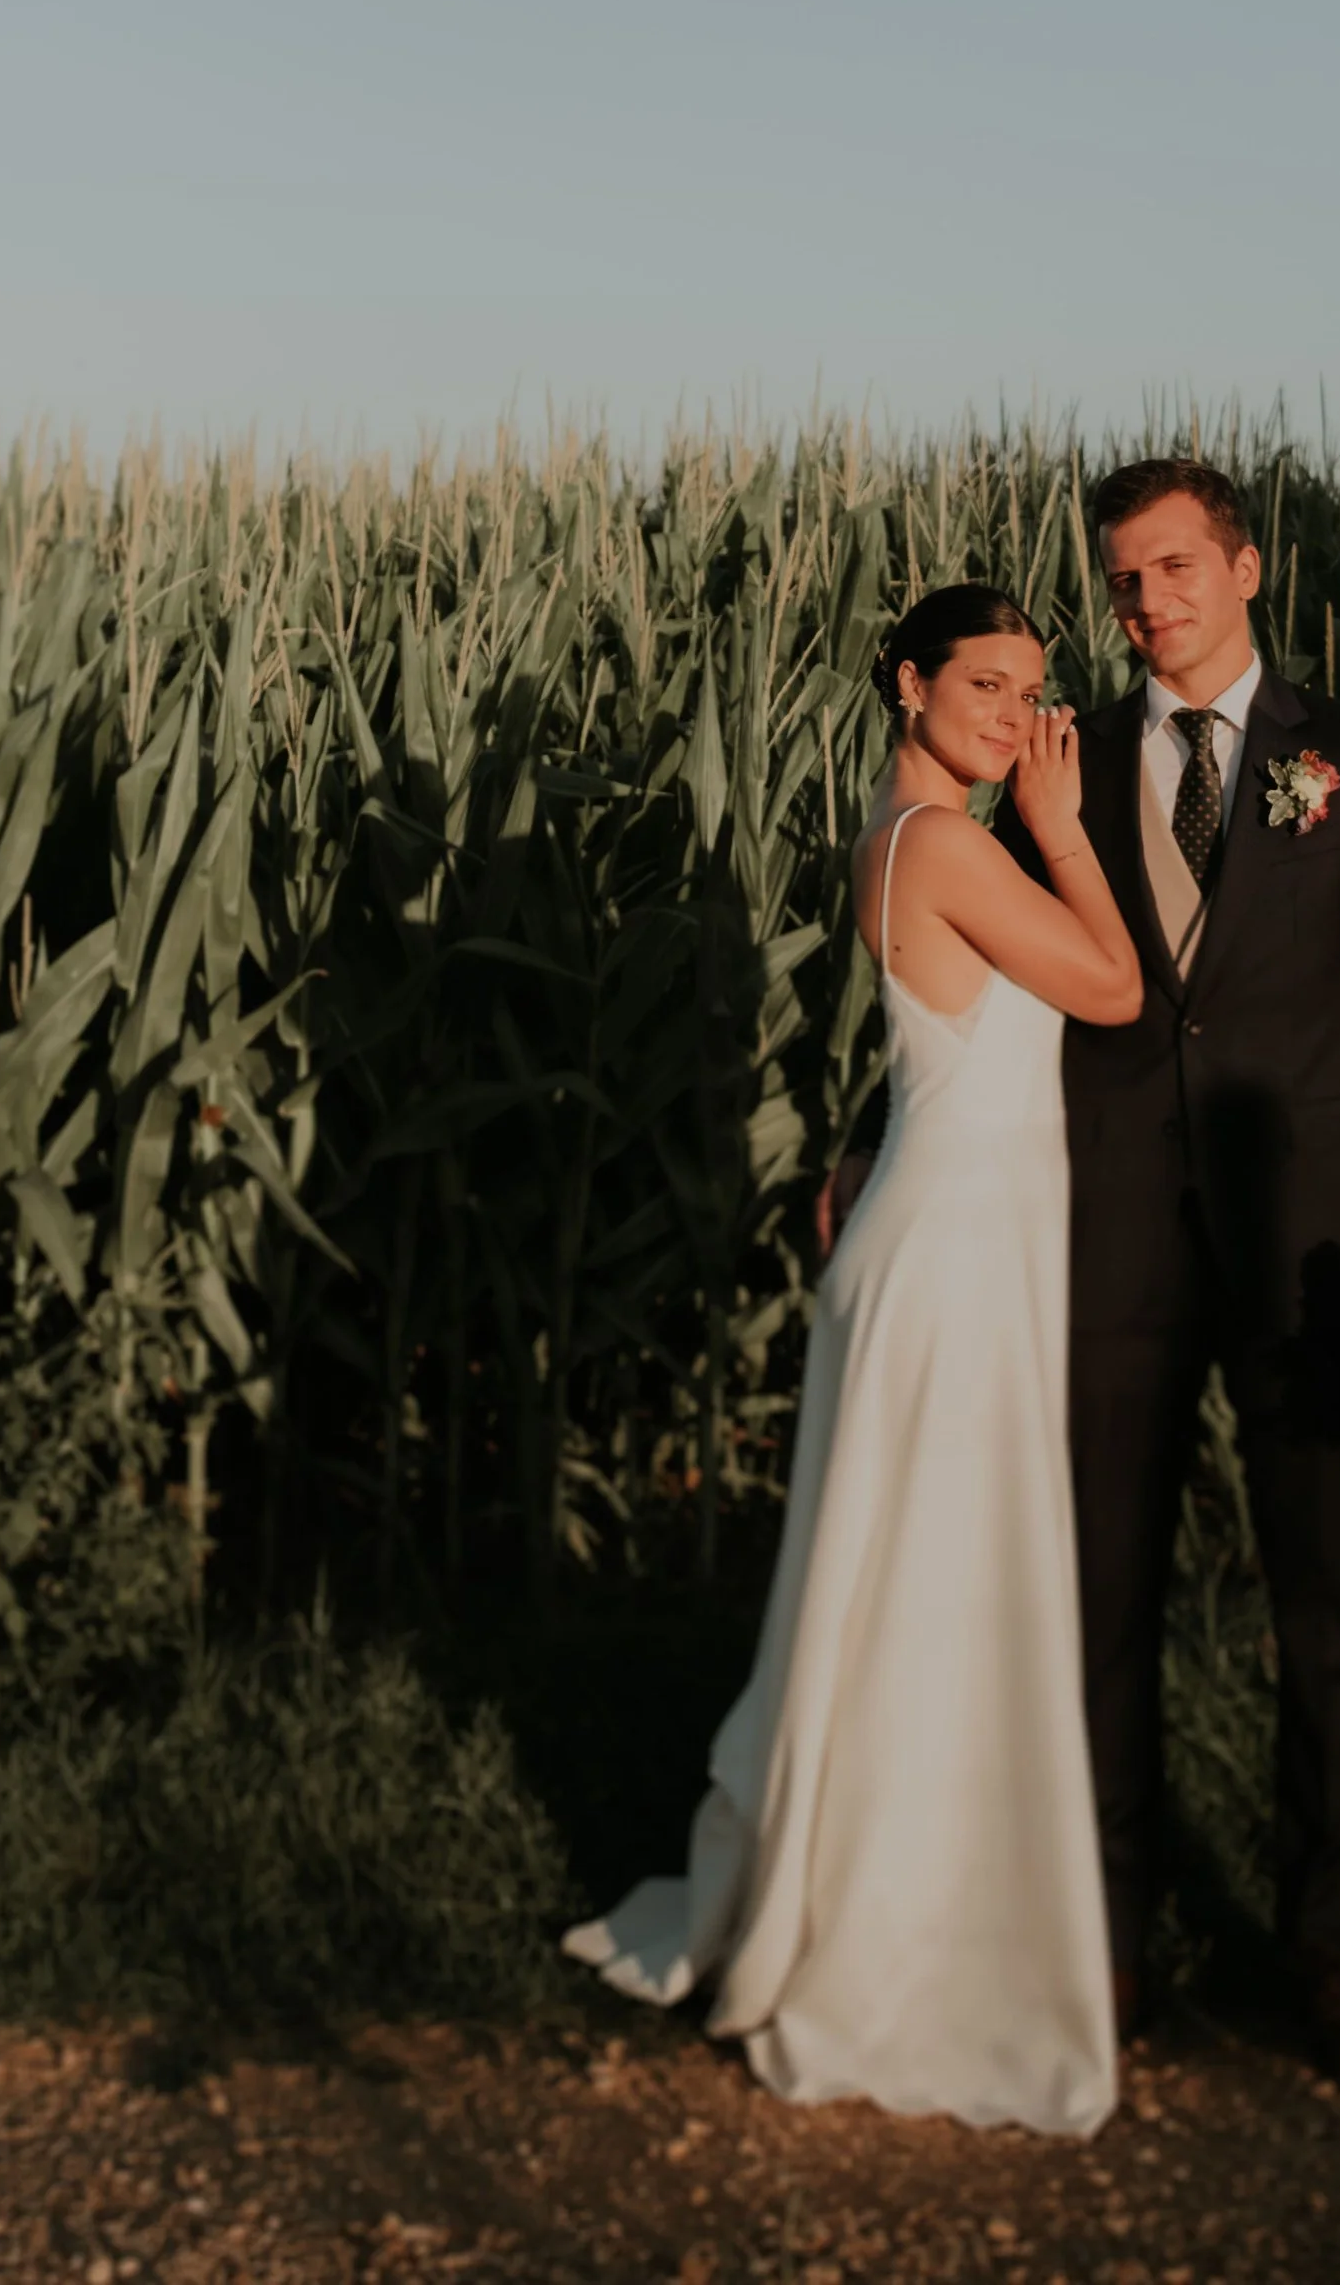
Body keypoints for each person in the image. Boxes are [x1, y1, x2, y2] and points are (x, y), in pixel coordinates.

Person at [829, 458, 1340, 2087]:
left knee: (1326, 1596)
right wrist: (873, 1123)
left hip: (1311, 1231)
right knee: (1101, 1595)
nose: (1151, 600)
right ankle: (1109, 1940)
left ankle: (1329, 1947)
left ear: (1248, 568)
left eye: (1178, 567)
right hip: (1109, 1218)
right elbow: (968, 966)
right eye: (1127, 578)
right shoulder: (1060, 757)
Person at [565, 584, 1141, 2136]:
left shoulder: (905, 836)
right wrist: (1067, 821)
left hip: (945, 1231)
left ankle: (889, 1887)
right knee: (937, 1582)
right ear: (907, 682)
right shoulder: (954, 840)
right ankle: (901, 1930)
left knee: (912, 1579)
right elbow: (1111, 987)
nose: (1013, 714)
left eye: (1032, 690)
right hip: (953, 1260)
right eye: (982, 683)